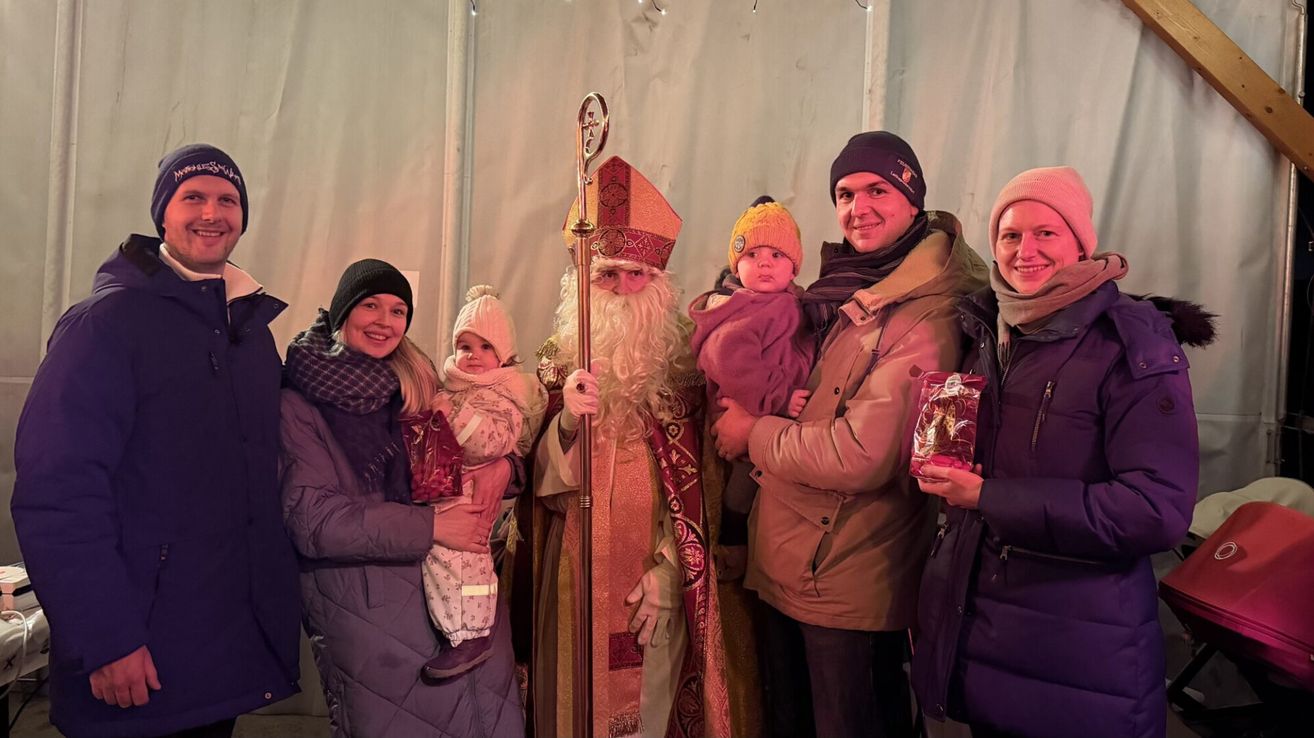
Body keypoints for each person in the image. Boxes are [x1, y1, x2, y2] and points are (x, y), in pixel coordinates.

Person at [11, 144, 301, 738]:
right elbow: (58, 492)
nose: (211, 213)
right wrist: (105, 638)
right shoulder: (106, 325)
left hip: (218, 645)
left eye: (227, 200)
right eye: (192, 196)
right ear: (162, 214)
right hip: (135, 651)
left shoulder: (249, 335)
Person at [910, 166, 1210, 738]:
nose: (1026, 251)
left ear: (1080, 241)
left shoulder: (1133, 343)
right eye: (1010, 235)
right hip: (990, 640)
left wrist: (990, 497)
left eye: (1046, 233)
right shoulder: (985, 330)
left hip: (1083, 658)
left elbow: (1156, 510)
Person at [712, 131, 988, 738]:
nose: (857, 208)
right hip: (795, 559)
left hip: (846, 574)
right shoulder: (846, 290)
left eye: (876, 190)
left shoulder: (924, 312)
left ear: (913, 199)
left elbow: (862, 455)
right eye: (843, 193)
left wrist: (752, 431)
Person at [532, 155, 735, 738]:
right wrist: (566, 421)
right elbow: (539, 492)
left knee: (646, 710)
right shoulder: (557, 365)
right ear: (583, 282)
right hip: (574, 575)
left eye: (637, 274)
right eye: (607, 274)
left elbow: (704, 491)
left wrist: (674, 572)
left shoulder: (684, 377)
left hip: (654, 580)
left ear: (660, 284)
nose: (622, 290)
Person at [279, 260, 523, 738]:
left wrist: (506, 468)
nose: (384, 321)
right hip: (372, 612)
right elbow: (313, 520)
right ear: (342, 311)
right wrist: (430, 528)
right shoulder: (300, 404)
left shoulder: (418, 381)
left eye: (397, 310)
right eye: (370, 305)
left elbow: (474, 455)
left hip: (459, 593)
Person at [419, 285, 546, 678]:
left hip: (470, 498)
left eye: (485, 347)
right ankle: (453, 631)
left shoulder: (503, 395)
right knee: (437, 563)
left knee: (466, 562)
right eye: (464, 345)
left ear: (504, 355)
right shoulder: (448, 390)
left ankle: (472, 633)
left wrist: (448, 419)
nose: (473, 356)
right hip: (439, 494)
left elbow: (491, 442)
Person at [688, 195, 815, 580]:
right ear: (736, 264)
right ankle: (732, 546)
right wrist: (778, 396)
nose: (764, 262)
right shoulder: (742, 307)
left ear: (794, 266)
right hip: (751, 412)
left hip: (778, 424)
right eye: (753, 254)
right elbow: (728, 360)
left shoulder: (790, 303)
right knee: (744, 487)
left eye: (777, 255)